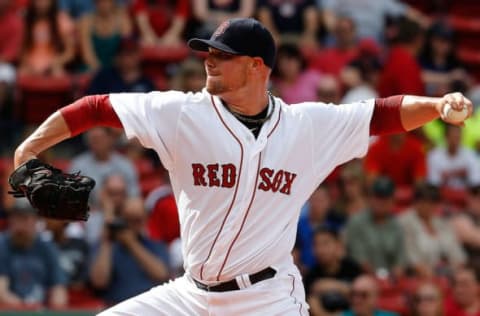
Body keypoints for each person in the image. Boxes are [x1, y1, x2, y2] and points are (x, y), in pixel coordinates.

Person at [11, 17, 473, 315]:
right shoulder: (182, 114)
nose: (207, 60)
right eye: (207, 51)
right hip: (190, 295)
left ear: (257, 66)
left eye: (220, 54)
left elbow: (383, 113)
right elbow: (93, 107)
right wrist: (28, 148)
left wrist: (437, 105)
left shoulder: (306, 126)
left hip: (266, 300)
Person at [89, 198, 170, 305]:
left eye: (138, 220)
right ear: (121, 218)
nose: (133, 224)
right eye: (129, 219)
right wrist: (107, 241)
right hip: (117, 307)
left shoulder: (156, 246)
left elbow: (161, 275)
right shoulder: (106, 246)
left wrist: (132, 244)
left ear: (145, 219)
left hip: (149, 308)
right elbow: (99, 282)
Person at [0, 200, 67, 309]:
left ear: (36, 221)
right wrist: (27, 309)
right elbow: (1, 293)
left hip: (41, 310)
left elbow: (59, 291)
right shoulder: (2, 244)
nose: (20, 225)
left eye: (25, 219)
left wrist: (54, 309)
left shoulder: (47, 247)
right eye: (16, 218)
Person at [398, 183, 466, 278]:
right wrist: (432, 276)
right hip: (418, 276)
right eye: (425, 201)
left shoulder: (442, 223)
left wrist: (455, 270)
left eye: (433, 202)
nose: (429, 206)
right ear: (416, 201)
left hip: (449, 274)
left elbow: (458, 255)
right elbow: (411, 258)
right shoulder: (404, 222)